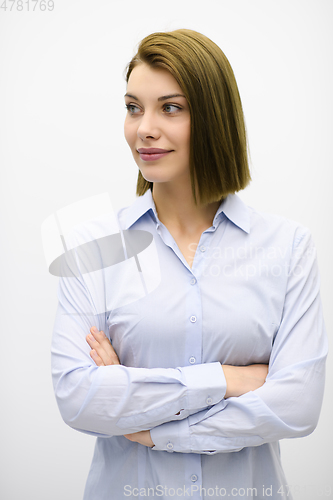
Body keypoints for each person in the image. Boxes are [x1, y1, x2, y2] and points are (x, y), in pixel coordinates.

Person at [51, 29, 328, 499]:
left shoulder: (287, 248)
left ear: (214, 118)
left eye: (171, 108)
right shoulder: (92, 247)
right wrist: (229, 379)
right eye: (133, 107)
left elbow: (297, 406)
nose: (144, 128)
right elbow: (80, 399)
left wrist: (151, 423)